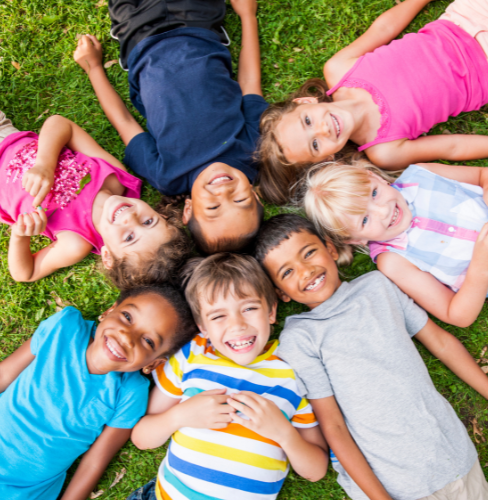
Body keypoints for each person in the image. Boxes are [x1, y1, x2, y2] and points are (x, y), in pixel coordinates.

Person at [254, 213, 488, 500]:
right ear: (281, 293)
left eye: (309, 253)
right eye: (287, 272)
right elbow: (334, 427)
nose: (305, 271)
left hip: (456, 458)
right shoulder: (301, 338)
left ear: (330, 248)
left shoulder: (378, 287)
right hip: (397, 486)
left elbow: (440, 343)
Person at [128, 253, 328, 500]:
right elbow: (141, 437)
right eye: (218, 316)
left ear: (271, 312)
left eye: (249, 308)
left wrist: (283, 433)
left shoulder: (293, 371)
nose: (237, 325)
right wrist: (179, 416)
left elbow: (316, 470)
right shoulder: (194, 354)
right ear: (203, 326)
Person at [73, 0, 266, 254]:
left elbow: (124, 121)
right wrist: (247, 16)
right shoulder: (253, 149)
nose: (224, 192)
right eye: (240, 200)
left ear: (189, 209)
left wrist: (93, 67)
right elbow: (250, 84)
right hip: (198, 20)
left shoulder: (167, 176)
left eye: (213, 207)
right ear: (256, 196)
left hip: (138, 36)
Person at [257, 0, 488, 205]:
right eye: (315, 145)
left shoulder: (339, 70)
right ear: (328, 159)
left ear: (305, 102)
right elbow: (451, 146)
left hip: (464, 18)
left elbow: (384, 29)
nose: (323, 129)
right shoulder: (384, 151)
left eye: (307, 121)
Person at [0, 284, 198, 500]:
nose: (127, 337)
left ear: (153, 364)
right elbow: (3, 374)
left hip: (21, 492)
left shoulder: (130, 392)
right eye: (127, 316)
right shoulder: (65, 328)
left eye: (148, 341)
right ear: (109, 311)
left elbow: (94, 461)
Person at [0, 103, 191, 285]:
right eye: (148, 222)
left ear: (107, 257)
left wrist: (20, 235)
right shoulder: (114, 176)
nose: (131, 217)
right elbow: (60, 124)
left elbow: (26, 272)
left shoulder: (75, 243)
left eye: (129, 237)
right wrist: (44, 165)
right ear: (161, 214)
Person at [302, 159, 488, 328]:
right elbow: (456, 314)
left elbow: (482, 175)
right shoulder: (393, 260)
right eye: (365, 220)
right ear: (354, 240)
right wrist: (480, 268)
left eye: (374, 193)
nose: (383, 211)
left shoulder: (422, 174)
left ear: (374, 176)